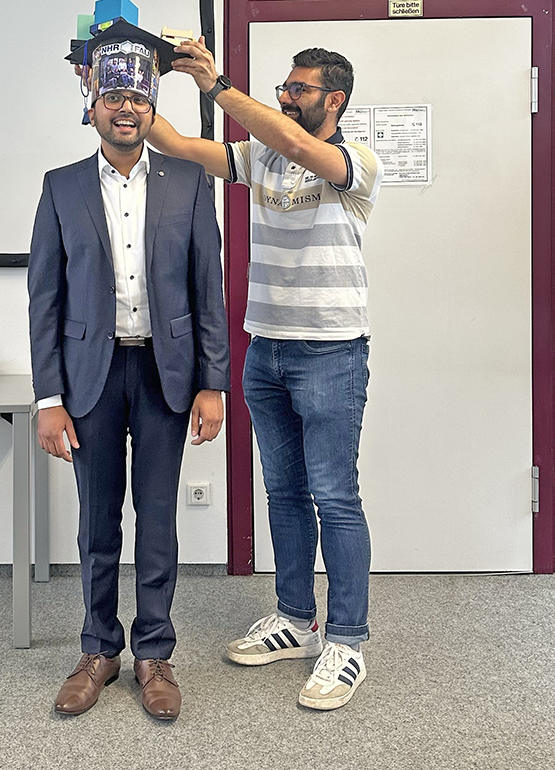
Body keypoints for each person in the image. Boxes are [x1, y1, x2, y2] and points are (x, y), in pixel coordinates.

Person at [148, 39, 383, 710]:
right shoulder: (261, 155)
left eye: (298, 89)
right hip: (267, 349)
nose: (285, 96)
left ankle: (344, 640)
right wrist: (127, 85)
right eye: (282, 86)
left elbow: (300, 146)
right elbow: (174, 143)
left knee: (333, 497)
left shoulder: (352, 162)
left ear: (332, 100)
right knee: (281, 494)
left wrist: (218, 84)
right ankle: (294, 619)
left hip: (331, 351)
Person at [29, 22, 229, 721]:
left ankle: (153, 654)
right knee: (96, 521)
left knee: (158, 518)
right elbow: (44, 299)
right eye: (111, 95)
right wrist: (47, 397)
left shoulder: (191, 183)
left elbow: (210, 289)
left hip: (165, 375)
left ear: (152, 108)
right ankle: (97, 649)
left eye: (136, 100)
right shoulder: (60, 188)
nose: (124, 109)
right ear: (91, 103)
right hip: (88, 376)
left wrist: (213, 381)